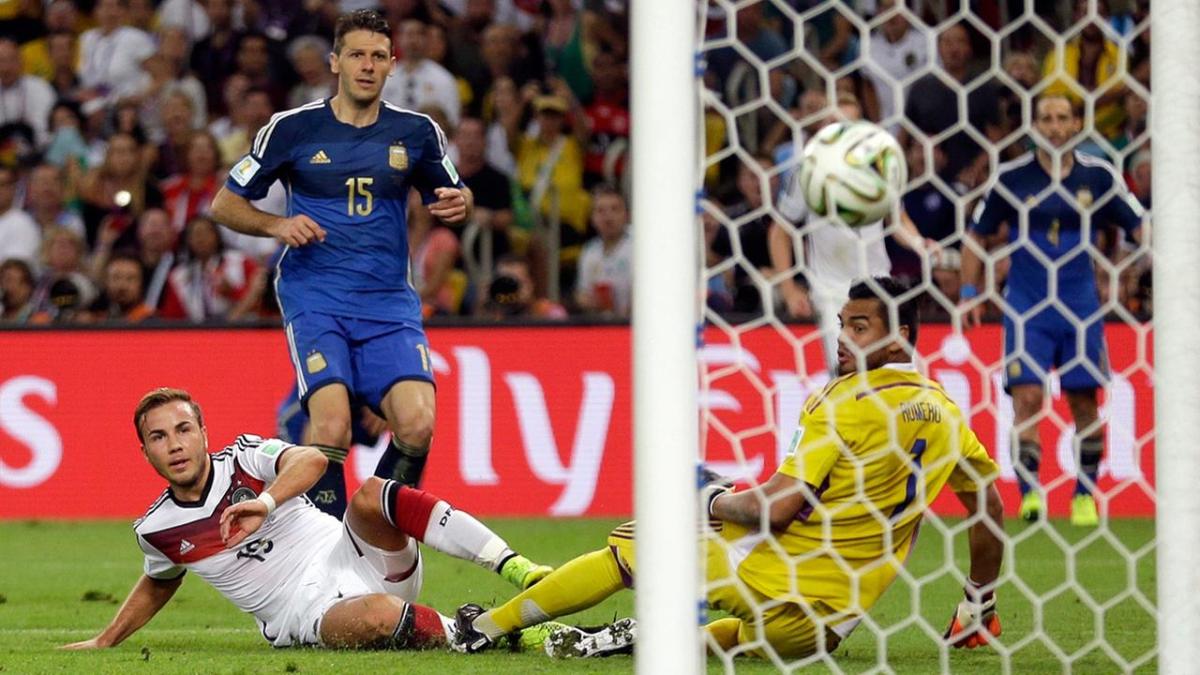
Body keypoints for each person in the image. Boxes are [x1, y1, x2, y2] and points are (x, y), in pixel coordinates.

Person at [453, 278, 1005, 659]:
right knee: (740, 632)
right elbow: (990, 505)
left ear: (901, 336)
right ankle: (624, 640)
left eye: (860, 327)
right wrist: (978, 603)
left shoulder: (842, 402)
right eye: (841, 324)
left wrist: (711, 498)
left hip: (776, 587)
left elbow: (777, 510)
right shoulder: (946, 411)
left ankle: (482, 629)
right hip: (823, 632)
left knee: (638, 546)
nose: (842, 338)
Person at [61, 388, 632, 658]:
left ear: (203, 433)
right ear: (145, 451)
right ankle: (514, 631)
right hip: (303, 611)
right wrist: (106, 639)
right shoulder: (157, 528)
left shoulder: (245, 457)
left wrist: (266, 502)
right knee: (378, 617)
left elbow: (312, 459)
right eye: (159, 437)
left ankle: (520, 571)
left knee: (372, 492)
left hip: (349, 552)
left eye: (183, 429)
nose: (175, 444)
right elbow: (158, 579)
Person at [210, 10, 475, 518]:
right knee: (331, 427)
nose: (367, 65)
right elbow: (224, 204)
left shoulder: (416, 132)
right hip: (316, 296)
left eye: (378, 56)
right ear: (335, 62)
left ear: (392, 64)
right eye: (356, 54)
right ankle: (329, 545)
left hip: (387, 302)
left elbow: (456, 193)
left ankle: (378, 527)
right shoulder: (292, 128)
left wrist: (460, 201)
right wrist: (277, 225)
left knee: (418, 424)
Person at [960, 94, 1146, 526]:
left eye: (1063, 118)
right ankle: (1029, 494)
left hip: (1080, 306)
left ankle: (1084, 496)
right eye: (1046, 118)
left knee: (1084, 402)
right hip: (1027, 306)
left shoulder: (1098, 176)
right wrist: (970, 292)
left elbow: (1140, 226)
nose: (1055, 127)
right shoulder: (1011, 177)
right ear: (1035, 125)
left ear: (1077, 124)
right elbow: (976, 235)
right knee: (1027, 397)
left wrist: (1129, 268)